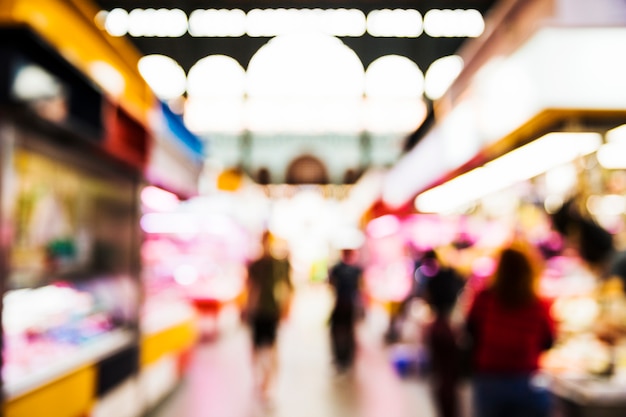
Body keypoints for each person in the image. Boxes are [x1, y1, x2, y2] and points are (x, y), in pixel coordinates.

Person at [466, 245, 555, 417]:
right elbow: (548, 341)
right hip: (526, 380)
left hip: (489, 378)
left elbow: (471, 332)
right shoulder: (537, 304)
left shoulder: (485, 299)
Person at [245, 230, 293, 399]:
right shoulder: (256, 265)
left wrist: (286, 309)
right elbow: (251, 288)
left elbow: (286, 287)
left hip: (271, 311)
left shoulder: (277, 264)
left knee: (271, 348)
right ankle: (260, 379)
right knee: (257, 349)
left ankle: (268, 383)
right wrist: (248, 309)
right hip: (258, 312)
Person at [421, 249, 466, 417]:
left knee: (441, 376)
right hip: (446, 328)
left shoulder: (435, 280)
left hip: (440, 327)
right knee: (449, 378)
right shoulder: (450, 278)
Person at [328, 248, 363, 372]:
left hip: (342, 303)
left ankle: (341, 357)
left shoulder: (337, 268)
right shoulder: (356, 270)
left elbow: (330, 283)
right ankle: (345, 358)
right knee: (347, 332)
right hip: (349, 304)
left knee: (339, 331)